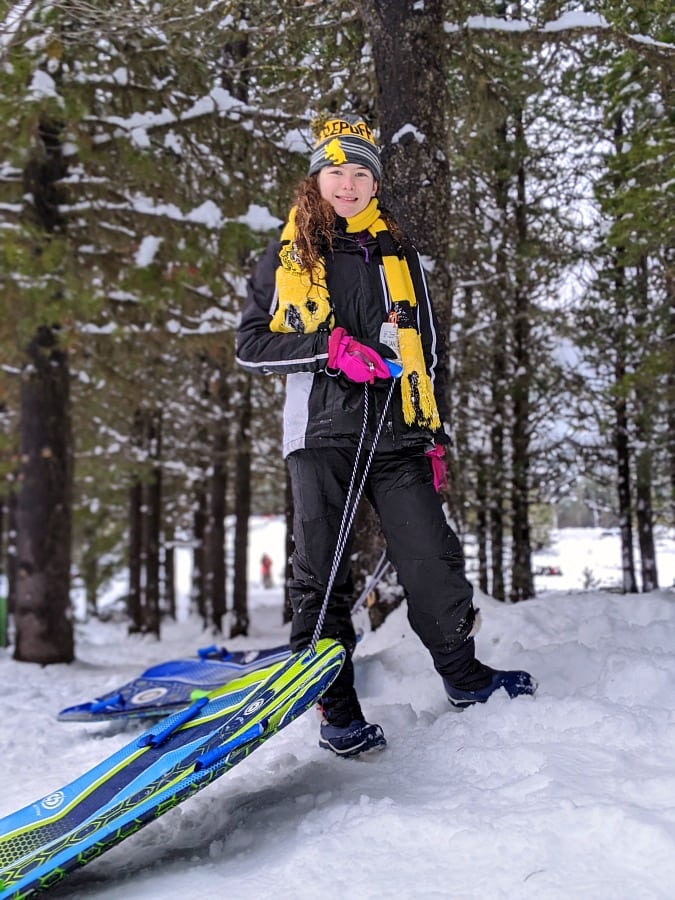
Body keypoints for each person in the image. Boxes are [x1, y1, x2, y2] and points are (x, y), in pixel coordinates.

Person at [235, 114, 536, 758]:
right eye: (336, 172)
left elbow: (427, 346)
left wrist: (433, 434)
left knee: (432, 557)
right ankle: (336, 710)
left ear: (376, 182)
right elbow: (250, 346)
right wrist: (329, 349)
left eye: (361, 172)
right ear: (316, 180)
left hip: (398, 433)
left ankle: (463, 676)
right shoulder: (288, 254)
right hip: (320, 433)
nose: (348, 184)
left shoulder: (397, 252)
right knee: (321, 576)